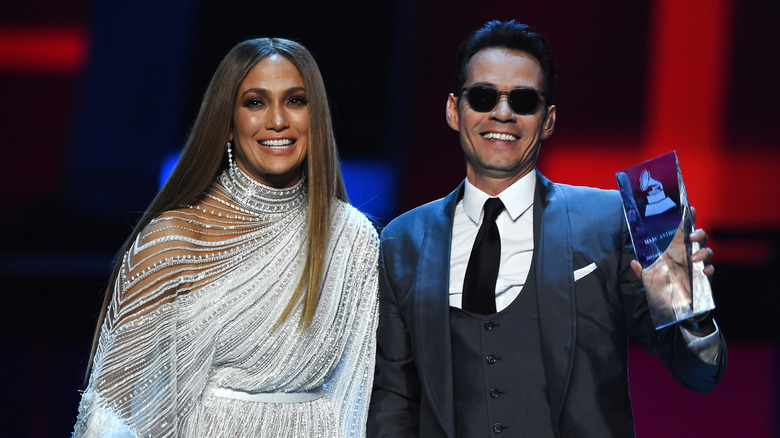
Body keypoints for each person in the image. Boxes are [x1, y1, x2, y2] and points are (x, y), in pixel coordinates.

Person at [368, 20, 725, 437]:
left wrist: (689, 308)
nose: (502, 113)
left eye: (523, 101)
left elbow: (699, 374)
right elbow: (394, 397)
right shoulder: (402, 240)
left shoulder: (618, 219)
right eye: (483, 97)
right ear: (453, 109)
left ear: (548, 119)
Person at [73, 37, 379, 437]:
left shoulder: (352, 237)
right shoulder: (175, 239)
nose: (277, 120)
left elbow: (355, 397)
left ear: (315, 117)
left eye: (295, 100)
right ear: (228, 124)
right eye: (255, 102)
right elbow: (109, 408)